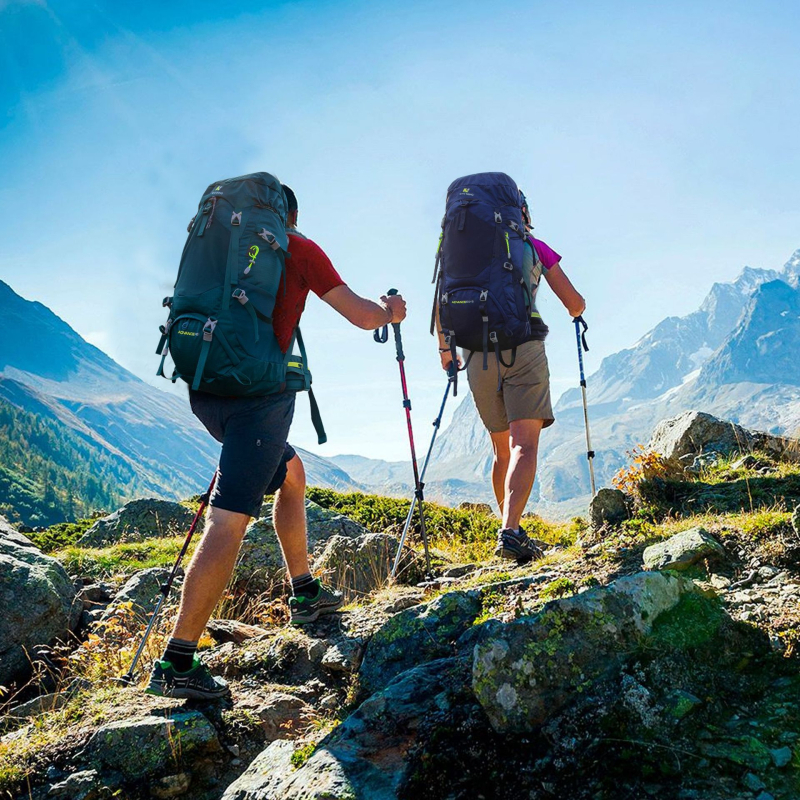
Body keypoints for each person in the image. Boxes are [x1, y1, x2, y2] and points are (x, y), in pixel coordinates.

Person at [147, 184, 407, 700]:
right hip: (259, 398)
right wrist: (391, 311)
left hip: (205, 388)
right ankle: (178, 660)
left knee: (292, 474)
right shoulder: (298, 248)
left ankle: (304, 591)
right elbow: (361, 315)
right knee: (229, 520)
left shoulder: (219, 248)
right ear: (289, 215)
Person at [436, 191, 585, 562]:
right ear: (521, 212)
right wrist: (577, 309)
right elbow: (574, 302)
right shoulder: (533, 245)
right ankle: (510, 531)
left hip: (476, 355)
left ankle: (510, 529)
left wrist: (445, 351)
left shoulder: (462, 250)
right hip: (524, 347)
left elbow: (441, 302)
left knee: (501, 449)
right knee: (525, 446)